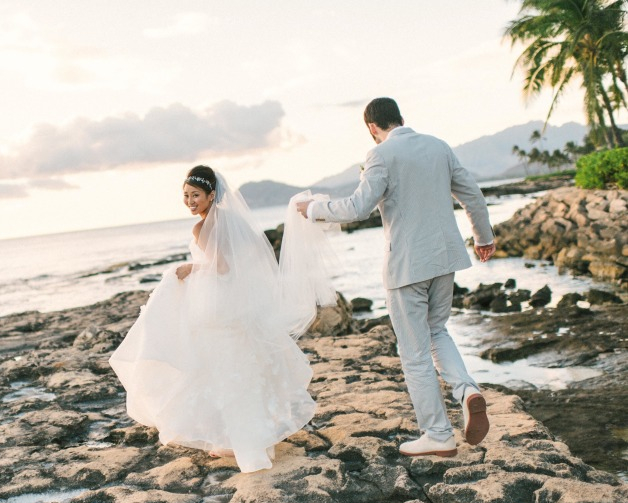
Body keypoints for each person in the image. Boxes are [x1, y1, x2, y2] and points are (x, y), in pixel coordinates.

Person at [296, 98, 495, 457]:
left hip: (406, 267)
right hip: (445, 259)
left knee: (414, 353)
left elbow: (357, 208)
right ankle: (466, 391)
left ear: (372, 127)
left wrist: (312, 209)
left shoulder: (381, 155)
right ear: (401, 118)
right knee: (438, 331)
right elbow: (472, 195)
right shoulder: (438, 146)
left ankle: (437, 434)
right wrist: (483, 238)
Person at [110, 165, 336, 473]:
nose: (190, 201)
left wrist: (192, 268)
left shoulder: (202, 228)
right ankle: (256, 442)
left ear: (211, 195)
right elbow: (246, 263)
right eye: (186, 196)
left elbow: (221, 267)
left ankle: (247, 449)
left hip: (217, 311)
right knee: (245, 374)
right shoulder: (232, 221)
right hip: (241, 309)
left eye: (196, 195)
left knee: (227, 377)